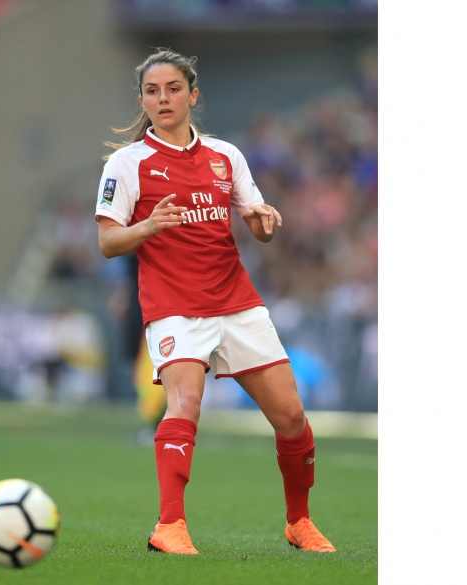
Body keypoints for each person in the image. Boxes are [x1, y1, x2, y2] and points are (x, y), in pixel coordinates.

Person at [93, 48, 336, 555]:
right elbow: (108, 241)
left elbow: (256, 221)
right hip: (174, 305)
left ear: (193, 94)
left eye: (173, 89)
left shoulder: (227, 156)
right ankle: (170, 526)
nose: (163, 99)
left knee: (291, 415)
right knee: (186, 403)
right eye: (153, 91)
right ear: (142, 98)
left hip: (237, 302)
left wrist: (262, 222)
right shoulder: (128, 163)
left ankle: (300, 522)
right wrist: (148, 225)